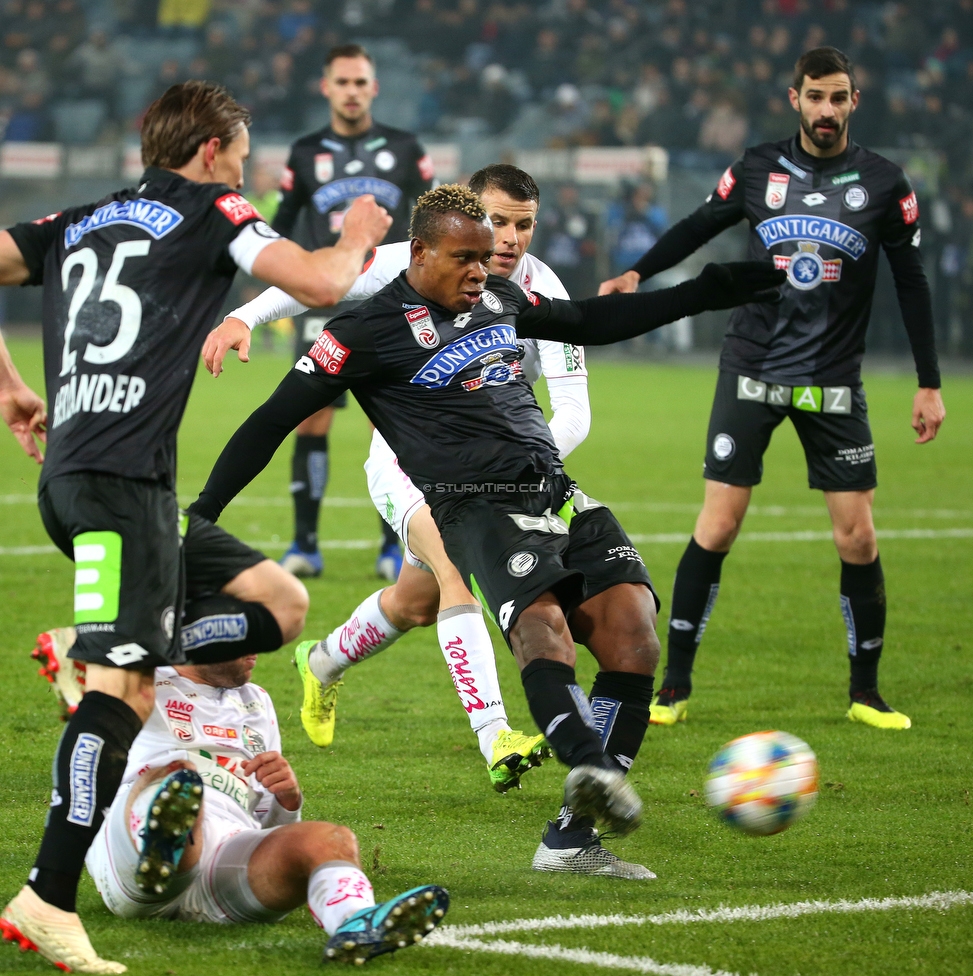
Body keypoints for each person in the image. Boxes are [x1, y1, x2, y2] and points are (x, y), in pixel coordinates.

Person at [189, 184, 786, 879]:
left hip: (556, 491)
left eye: (486, 258)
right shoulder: (358, 334)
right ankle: (590, 766)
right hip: (476, 507)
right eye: (464, 258)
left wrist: (715, 288)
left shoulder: (502, 299)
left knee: (634, 635)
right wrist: (202, 516)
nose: (481, 270)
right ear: (419, 253)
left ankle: (570, 838)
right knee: (542, 625)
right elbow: (268, 422)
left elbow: (593, 320)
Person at [0, 80, 390, 974]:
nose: (244, 170)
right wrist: (361, 233)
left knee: (278, 603)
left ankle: (100, 652)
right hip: (124, 486)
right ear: (213, 149)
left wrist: (10, 388)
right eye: (242, 156)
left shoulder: (82, 218)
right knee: (122, 698)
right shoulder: (214, 207)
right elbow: (325, 281)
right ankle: (48, 897)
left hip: (83, 483)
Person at [211, 164, 588, 796]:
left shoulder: (542, 290)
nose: (509, 238)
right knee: (450, 570)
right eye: (495, 221)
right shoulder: (420, 262)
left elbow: (574, 408)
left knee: (414, 602)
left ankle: (323, 660)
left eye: (523, 225)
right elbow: (321, 282)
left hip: (497, 475)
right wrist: (244, 317)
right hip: (406, 458)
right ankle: (496, 736)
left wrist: (519, 461)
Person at [599, 47, 946, 731]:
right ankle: (674, 687)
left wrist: (928, 382)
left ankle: (866, 694)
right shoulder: (758, 168)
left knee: (859, 539)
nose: (826, 110)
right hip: (752, 367)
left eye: (838, 97)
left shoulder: (883, 182)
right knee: (719, 524)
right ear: (795, 99)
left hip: (833, 380)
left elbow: (911, 281)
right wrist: (638, 273)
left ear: (854, 101)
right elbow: (701, 225)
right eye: (815, 97)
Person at [84, 654, 448, 965]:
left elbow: (265, 827)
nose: (257, 647)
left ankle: (355, 922)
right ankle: (159, 855)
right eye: (243, 634)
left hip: (224, 860)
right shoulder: (139, 681)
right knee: (180, 780)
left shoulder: (255, 701)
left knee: (330, 840)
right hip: (128, 851)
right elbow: (81, 672)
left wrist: (287, 799)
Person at [272, 42, 435, 581]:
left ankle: (394, 549)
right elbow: (282, 227)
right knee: (310, 418)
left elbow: (430, 221)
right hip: (325, 303)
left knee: (388, 423)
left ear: (374, 87)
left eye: (360, 82)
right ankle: (304, 545)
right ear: (326, 87)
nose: (351, 91)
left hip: (392, 305)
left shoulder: (408, 149)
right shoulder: (303, 152)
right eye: (342, 82)